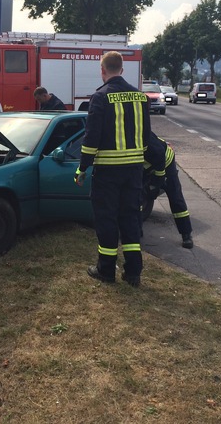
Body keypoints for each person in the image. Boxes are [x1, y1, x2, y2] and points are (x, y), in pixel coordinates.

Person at [74, 51, 150, 287]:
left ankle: (106, 270)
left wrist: (82, 168)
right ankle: (134, 272)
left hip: (107, 172)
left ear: (102, 70)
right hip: (134, 171)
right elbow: (146, 136)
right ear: (123, 69)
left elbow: (92, 137)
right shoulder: (140, 97)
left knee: (107, 219)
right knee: (130, 218)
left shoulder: (101, 97)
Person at [143, 131, 194, 249]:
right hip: (147, 167)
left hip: (165, 163)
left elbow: (159, 154)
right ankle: (136, 230)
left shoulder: (142, 135)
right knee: (137, 196)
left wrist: (158, 180)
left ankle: (186, 235)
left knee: (175, 196)